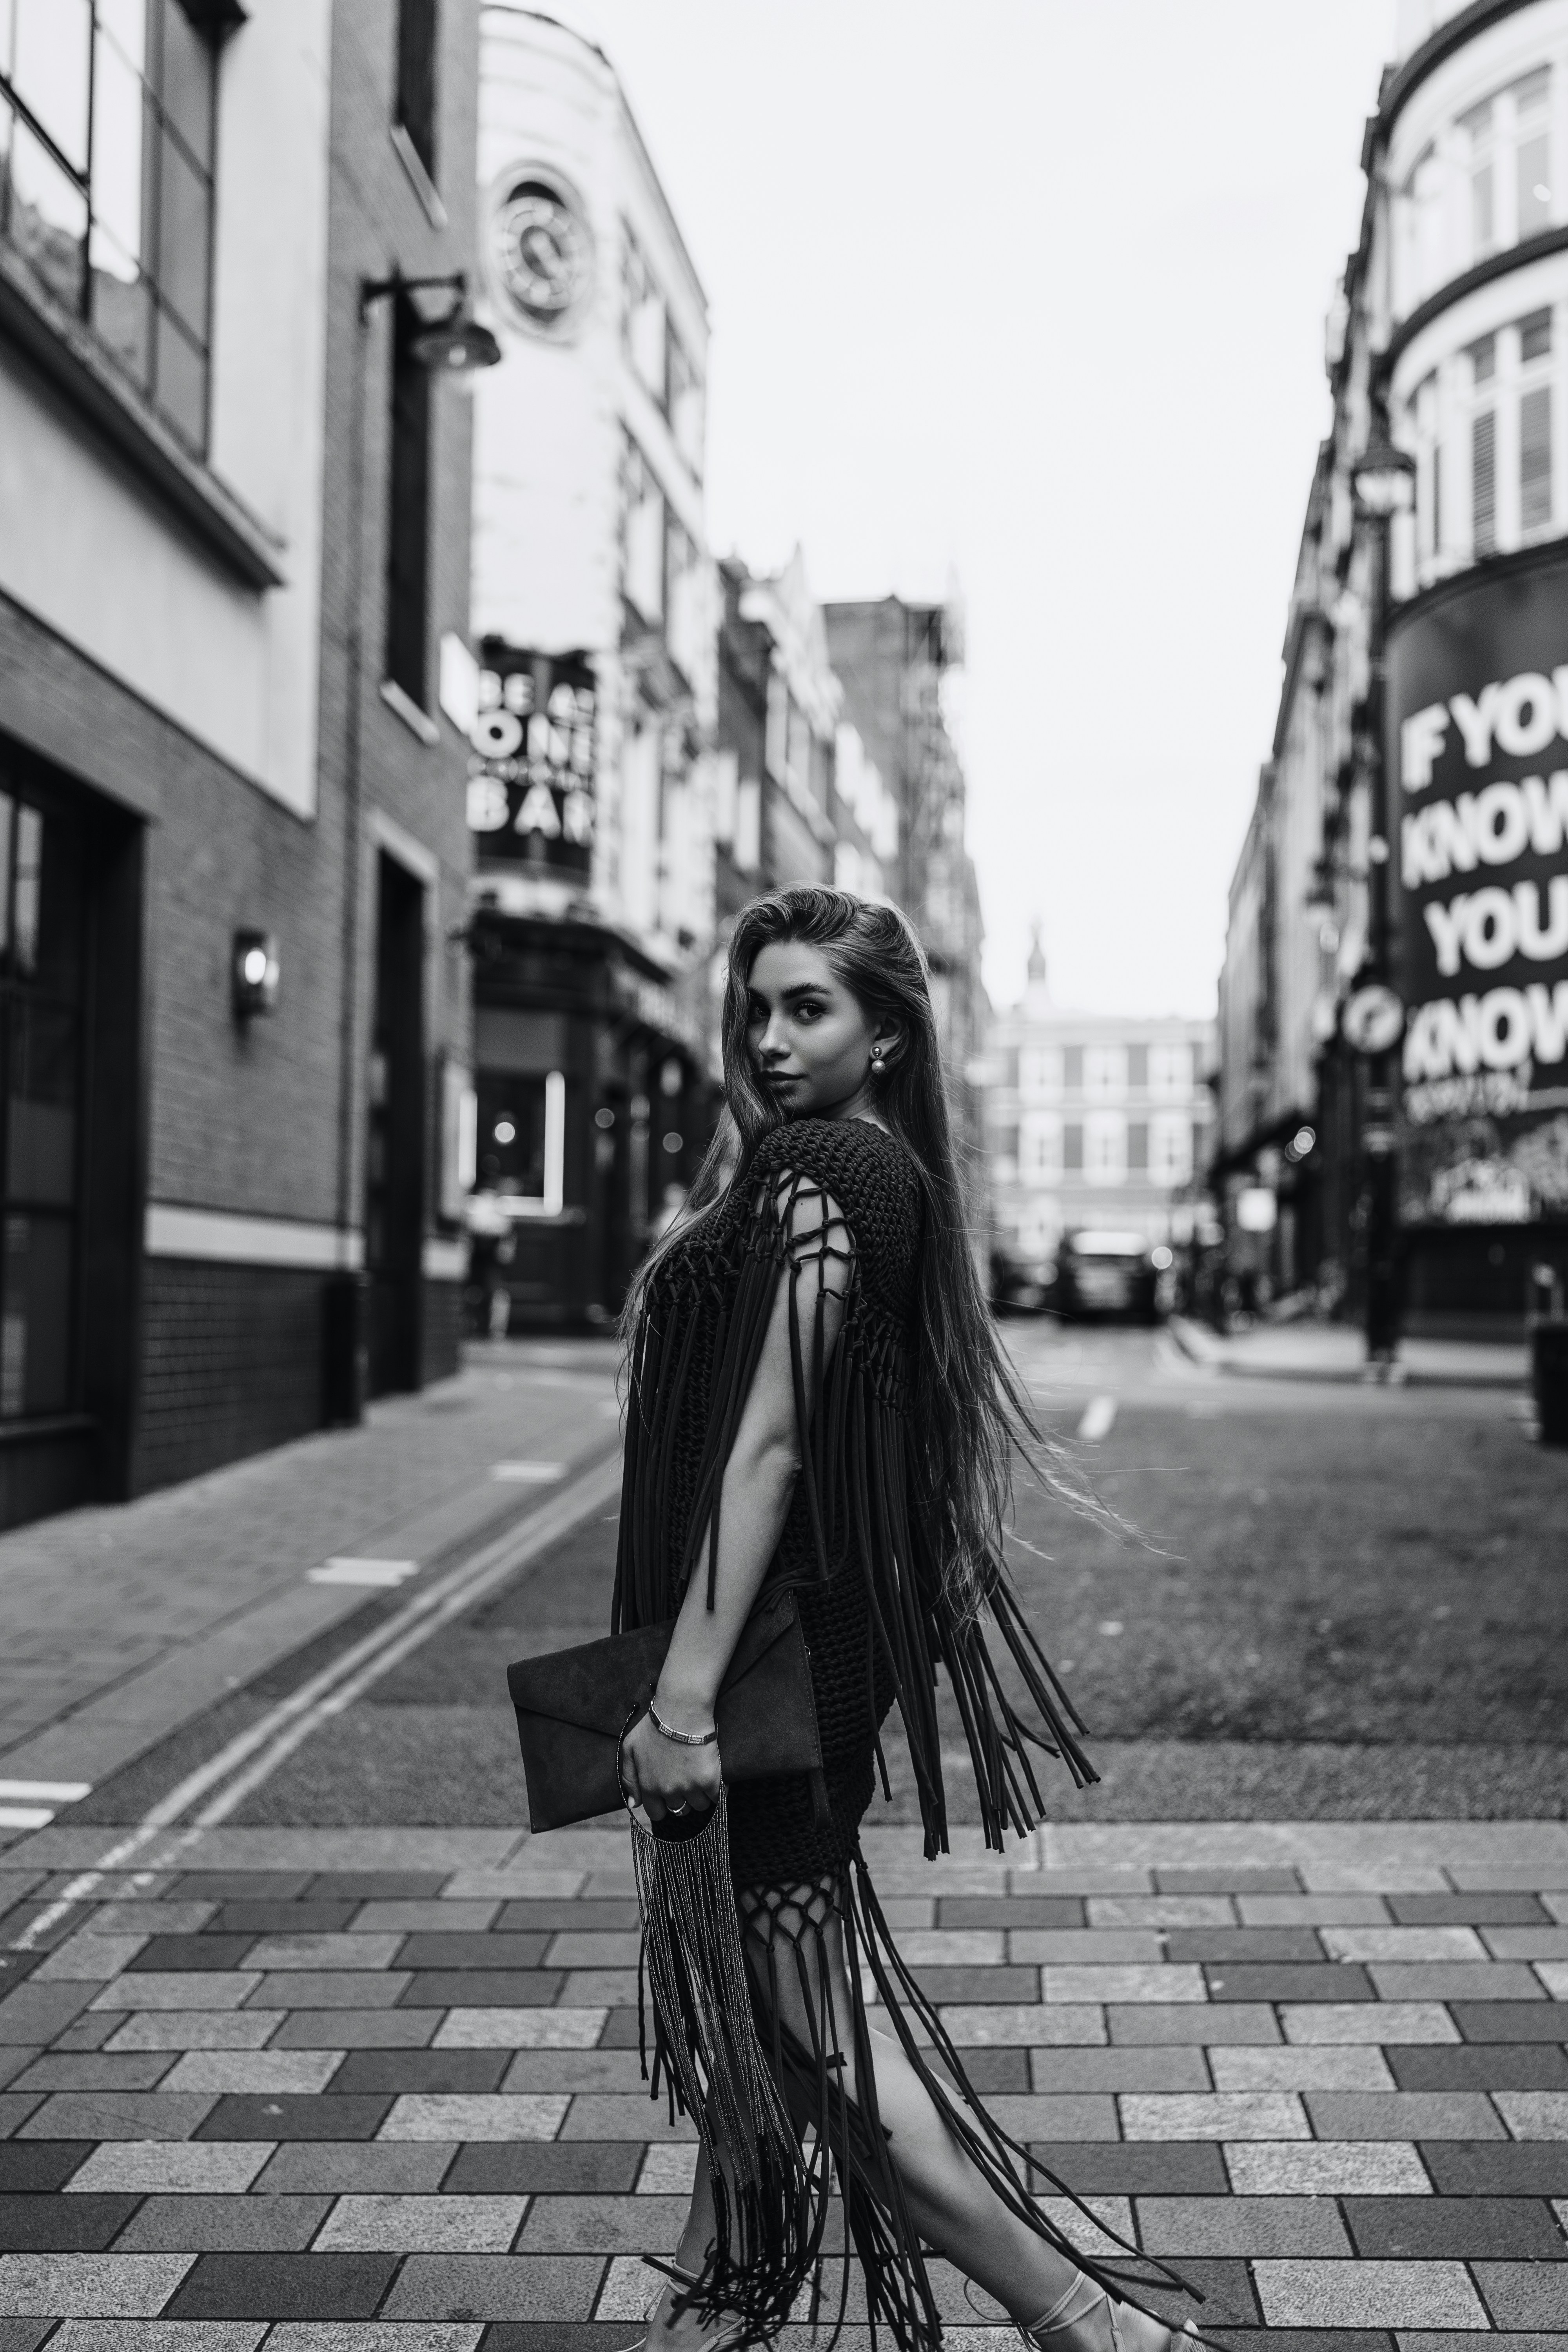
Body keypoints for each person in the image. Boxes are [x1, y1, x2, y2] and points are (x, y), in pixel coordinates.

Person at [614, 887, 1196, 2352]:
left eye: (807, 1008)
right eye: (756, 1008)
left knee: (826, 2049)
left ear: (887, 1032)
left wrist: (682, 1699)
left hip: (755, 1675)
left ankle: (1090, 2329)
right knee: (759, 2048)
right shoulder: (877, 1181)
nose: (770, 1039)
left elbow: (769, 1445)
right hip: (808, 1657)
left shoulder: (819, 1173)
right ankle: (699, 2314)